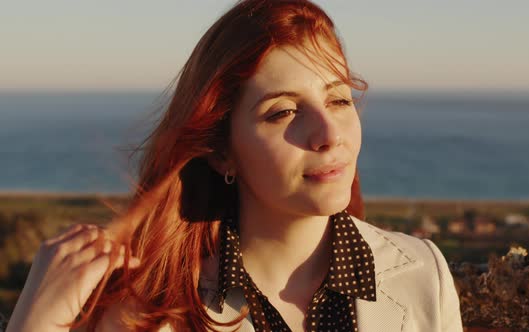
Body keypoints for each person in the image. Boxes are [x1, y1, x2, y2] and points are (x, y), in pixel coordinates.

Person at [6, 0, 463, 331]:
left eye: (339, 99)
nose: (330, 134)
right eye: (283, 112)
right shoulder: (149, 317)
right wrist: (35, 322)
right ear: (222, 150)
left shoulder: (425, 273)